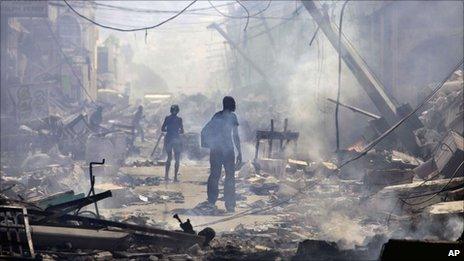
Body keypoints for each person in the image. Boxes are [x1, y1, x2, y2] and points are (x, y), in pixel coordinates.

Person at [206, 96, 242, 212]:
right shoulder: (232, 117)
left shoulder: (216, 116)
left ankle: (211, 202)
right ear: (231, 104)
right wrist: (239, 152)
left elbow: (210, 131)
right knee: (230, 177)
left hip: (215, 150)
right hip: (228, 150)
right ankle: (230, 205)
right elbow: (235, 136)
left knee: (214, 176)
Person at [161, 105, 184, 182]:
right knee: (177, 159)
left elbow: (162, 128)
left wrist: (168, 129)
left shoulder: (167, 118)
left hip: (168, 139)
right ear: (178, 111)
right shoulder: (179, 119)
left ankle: (166, 176)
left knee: (169, 158)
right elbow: (182, 131)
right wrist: (177, 131)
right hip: (176, 139)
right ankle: (175, 178)